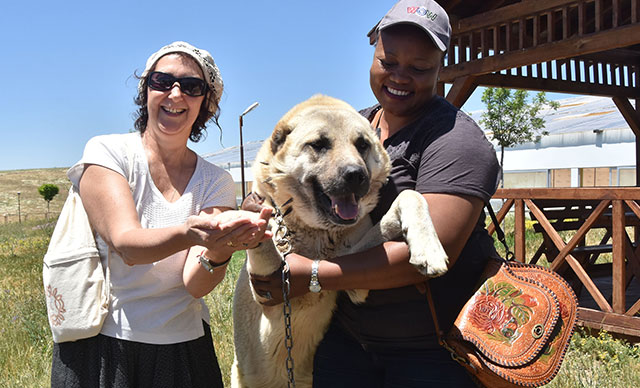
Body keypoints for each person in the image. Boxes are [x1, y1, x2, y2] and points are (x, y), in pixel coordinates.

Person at [248, 1, 501, 386]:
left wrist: (314, 275)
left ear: (439, 68)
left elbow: (433, 252)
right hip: (346, 340)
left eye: (419, 67)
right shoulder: (354, 123)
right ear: (374, 51)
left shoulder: (456, 141)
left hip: (431, 350)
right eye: (390, 61)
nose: (400, 76)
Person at [50, 41, 272, 388]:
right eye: (162, 81)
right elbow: (128, 245)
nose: (175, 93)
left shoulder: (216, 181)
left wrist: (223, 245)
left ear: (206, 103)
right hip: (104, 348)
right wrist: (189, 231)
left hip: (184, 351)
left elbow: (194, 284)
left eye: (192, 86)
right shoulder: (109, 152)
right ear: (146, 90)